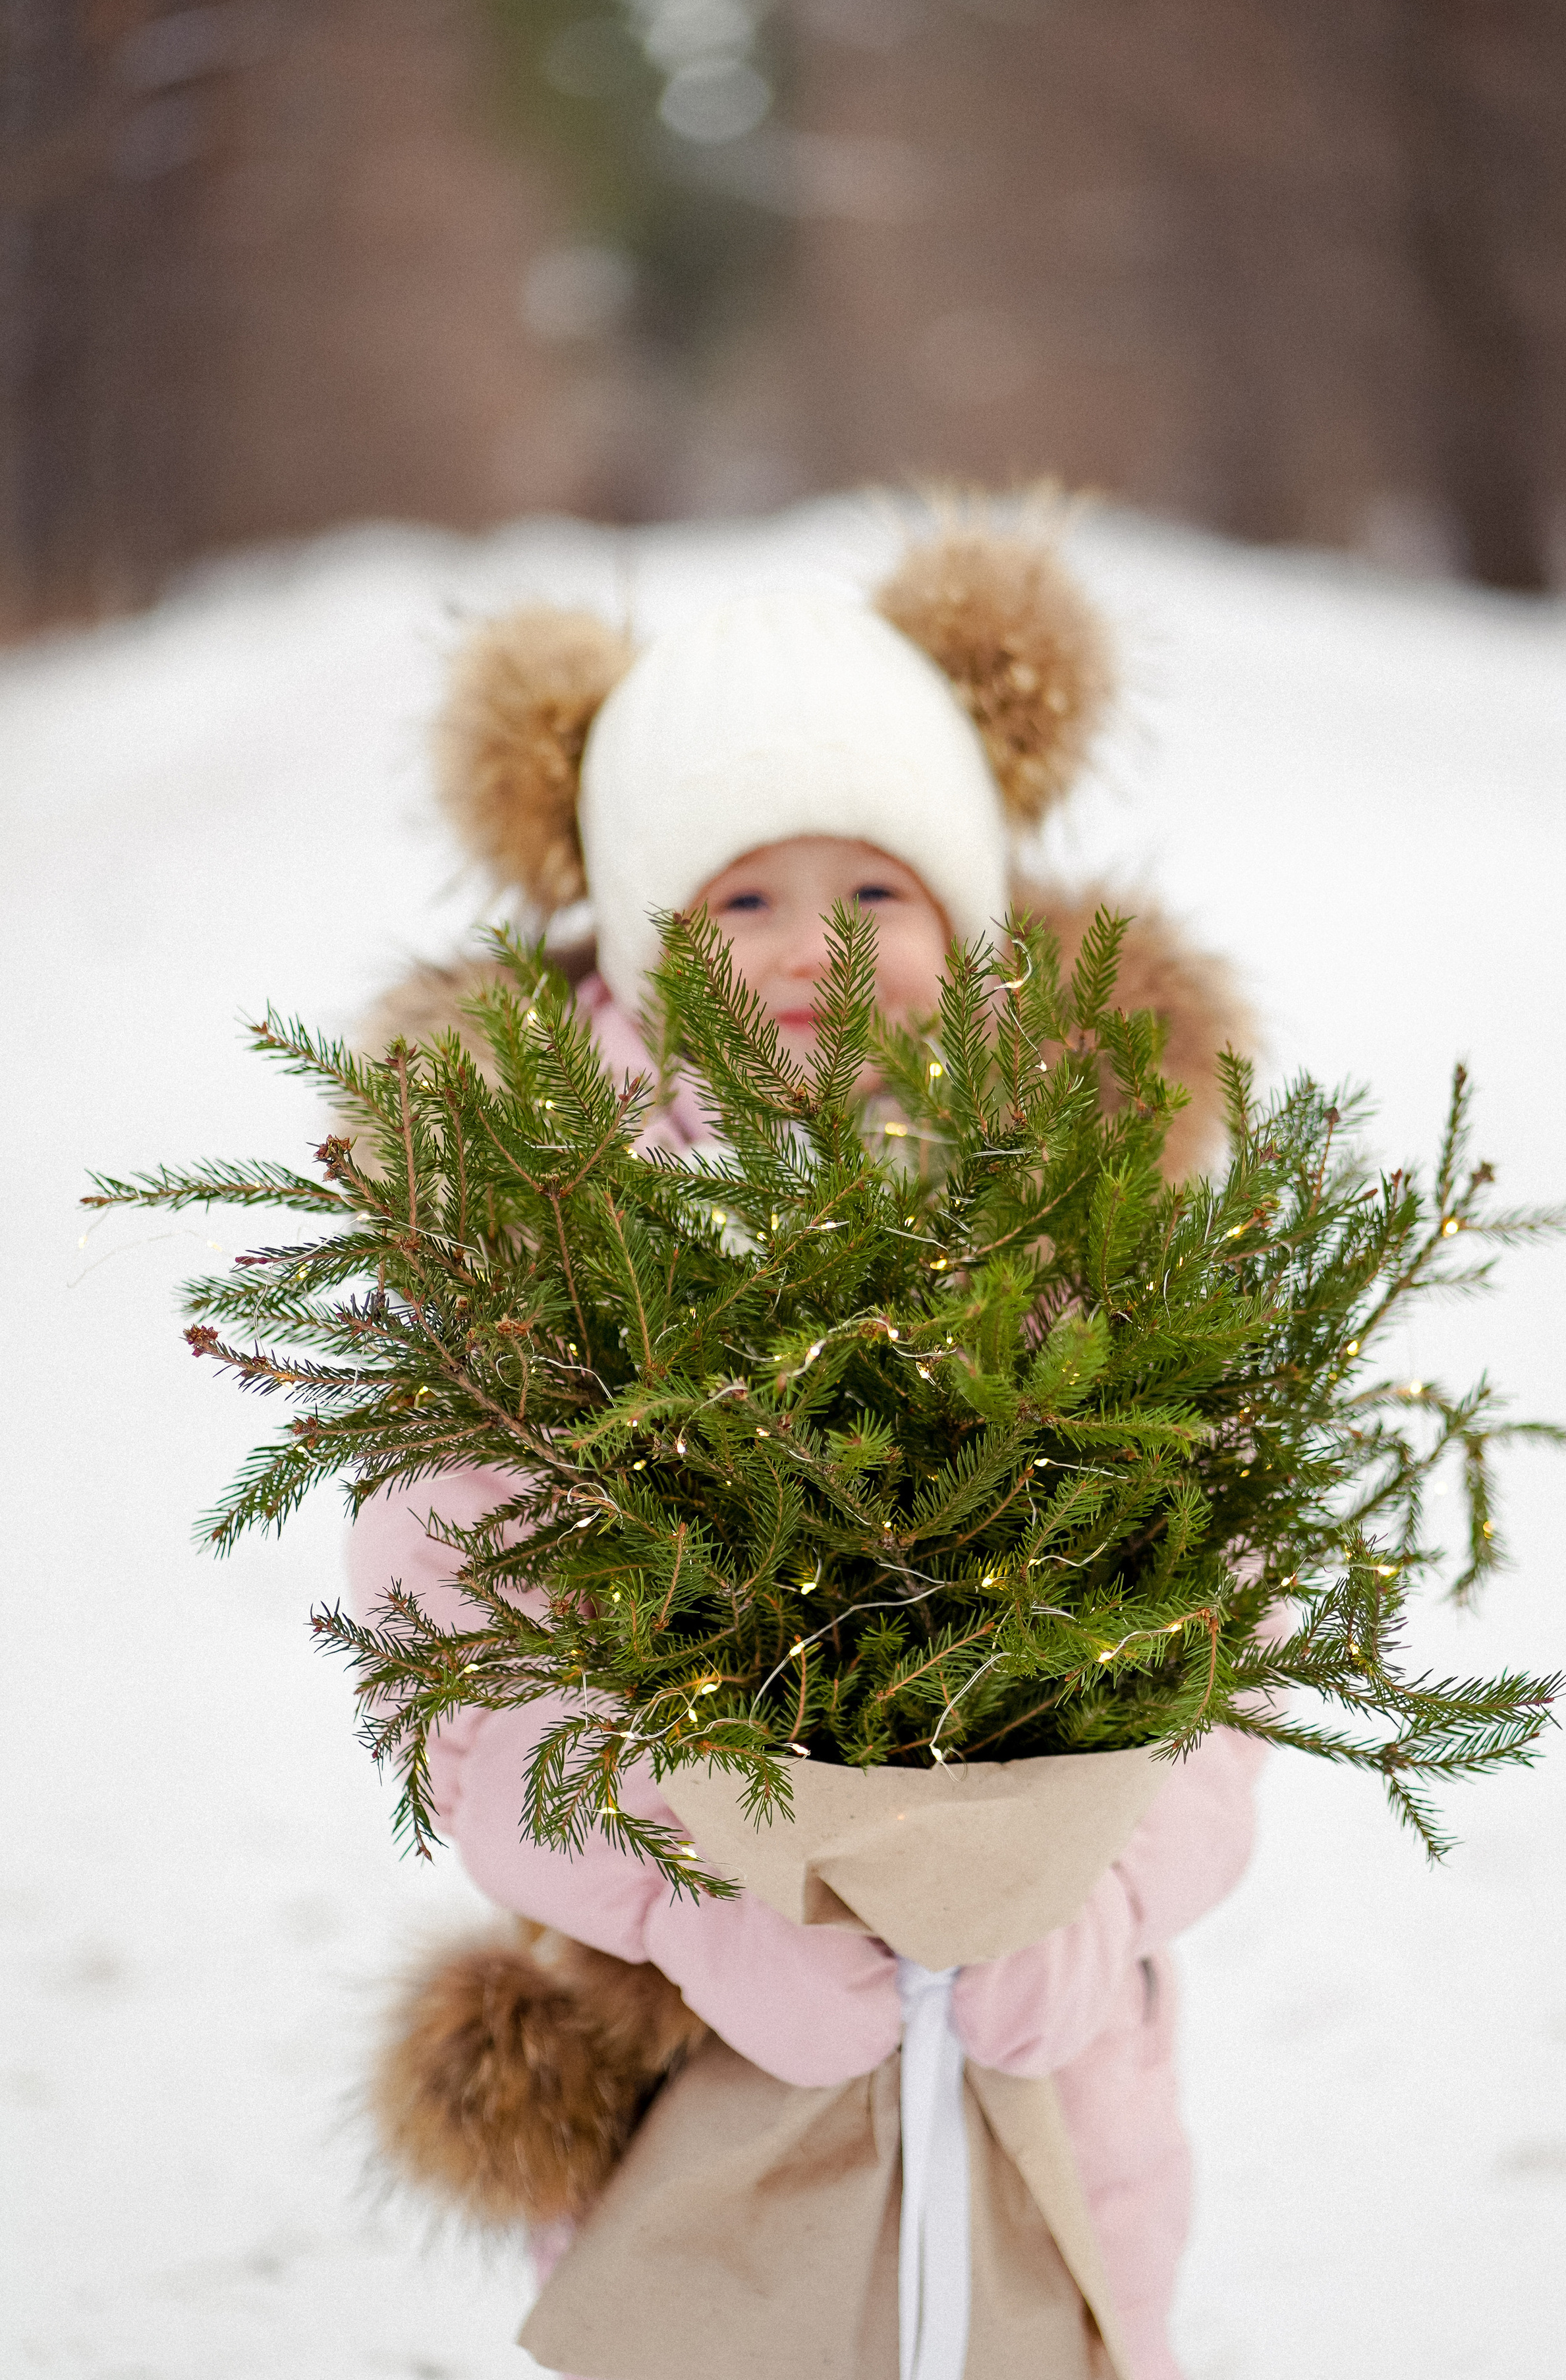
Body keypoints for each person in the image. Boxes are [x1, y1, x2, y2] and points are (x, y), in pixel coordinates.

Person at [350, 512, 1265, 2380]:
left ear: (970, 918)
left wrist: (1098, 1901)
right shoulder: (541, 1234)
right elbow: (466, 1651)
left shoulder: (1076, 1214)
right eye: (739, 900)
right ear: (634, 929)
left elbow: (1224, 1629)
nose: (808, 956)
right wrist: (686, 1915)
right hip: (712, 2036)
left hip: (1049, 2046)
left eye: (874, 897)